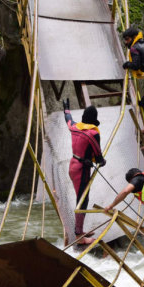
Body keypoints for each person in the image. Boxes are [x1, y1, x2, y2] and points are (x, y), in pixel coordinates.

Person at [63, 99, 105, 244]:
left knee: (81, 198)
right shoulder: (93, 134)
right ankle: (79, 235)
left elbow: (68, 119)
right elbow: (99, 157)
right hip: (82, 170)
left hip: (73, 165)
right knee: (82, 200)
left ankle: (79, 230)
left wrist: (66, 108)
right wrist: (101, 162)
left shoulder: (74, 127)